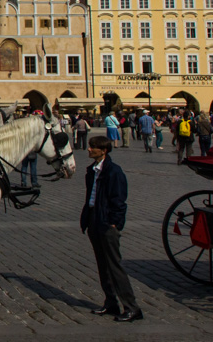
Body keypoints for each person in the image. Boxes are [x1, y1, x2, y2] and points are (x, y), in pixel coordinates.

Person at [80, 136, 142, 322]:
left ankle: (132, 307)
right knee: (102, 265)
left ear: (103, 150)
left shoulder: (114, 172)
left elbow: (119, 200)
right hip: (93, 220)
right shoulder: (92, 170)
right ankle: (111, 302)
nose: (89, 150)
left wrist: (114, 223)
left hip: (106, 223)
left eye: (93, 147)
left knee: (114, 266)